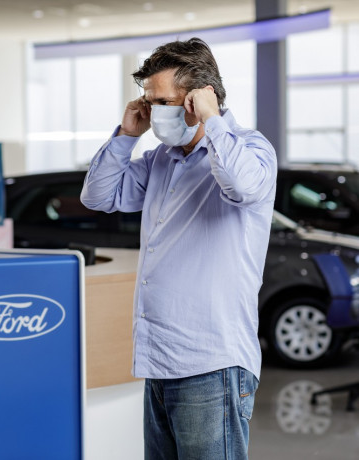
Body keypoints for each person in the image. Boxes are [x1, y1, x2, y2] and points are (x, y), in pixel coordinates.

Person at [80, 38, 277, 459]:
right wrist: (125, 136)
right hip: (159, 361)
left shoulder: (251, 149)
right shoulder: (160, 160)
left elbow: (243, 188)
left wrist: (214, 120)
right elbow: (98, 197)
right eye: (148, 103)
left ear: (199, 98)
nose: (154, 115)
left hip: (211, 364)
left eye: (163, 103)